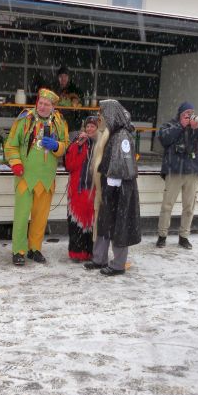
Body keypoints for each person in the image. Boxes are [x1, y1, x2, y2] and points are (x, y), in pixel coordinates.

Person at [4, 88, 68, 266]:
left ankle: (34, 249)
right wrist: (16, 162)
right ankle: (18, 251)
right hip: (25, 177)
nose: (42, 106)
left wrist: (56, 146)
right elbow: (11, 144)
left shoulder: (59, 121)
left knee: (40, 217)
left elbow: (66, 145)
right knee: (22, 215)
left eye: (46, 104)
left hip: (46, 179)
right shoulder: (24, 118)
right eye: (40, 103)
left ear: (53, 106)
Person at [84, 99, 141, 276]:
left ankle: (118, 264)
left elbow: (124, 165)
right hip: (109, 189)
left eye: (101, 113)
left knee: (119, 226)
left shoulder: (122, 136)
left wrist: (112, 183)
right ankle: (99, 258)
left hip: (120, 190)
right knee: (104, 223)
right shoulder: (111, 134)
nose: (99, 117)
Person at [156, 101, 198, 249]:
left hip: (193, 172)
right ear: (180, 114)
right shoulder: (171, 124)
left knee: (189, 207)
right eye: (186, 113)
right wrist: (180, 126)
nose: (189, 115)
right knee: (167, 206)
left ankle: (184, 237)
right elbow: (164, 139)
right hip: (174, 171)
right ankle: (162, 236)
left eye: (191, 113)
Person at [65, 116, 99, 262]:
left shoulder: (101, 144)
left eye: (93, 126)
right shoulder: (78, 142)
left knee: (91, 223)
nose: (90, 129)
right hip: (78, 189)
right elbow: (69, 165)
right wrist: (78, 146)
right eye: (88, 126)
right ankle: (76, 252)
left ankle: (90, 252)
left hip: (94, 190)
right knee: (76, 222)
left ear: (98, 129)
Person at [53, 65, 84, 132]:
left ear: (68, 77)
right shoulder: (53, 88)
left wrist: (75, 101)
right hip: (56, 121)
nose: (63, 79)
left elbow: (80, 99)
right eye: (61, 76)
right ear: (58, 78)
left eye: (65, 76)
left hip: (71, 124)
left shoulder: (74, 89)